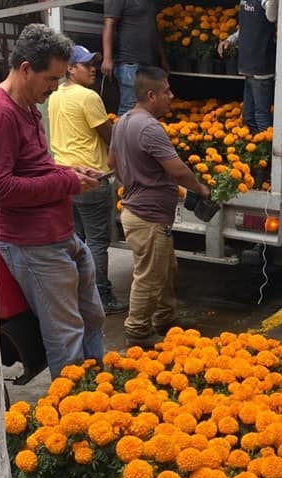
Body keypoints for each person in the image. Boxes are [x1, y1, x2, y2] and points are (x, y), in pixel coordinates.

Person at [0, 24, 105, 379]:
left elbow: (36, 168)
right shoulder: (1, 112)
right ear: (25, 69)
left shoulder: (28, 107)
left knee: (93, 318)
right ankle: (75, 413)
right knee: (66, 337)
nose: (55, 88)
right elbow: (1, 187)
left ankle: (100, 396)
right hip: (33, 244)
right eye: (51, 79)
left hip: (60, 234)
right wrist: (67, 181)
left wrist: (70, 169)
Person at [108, 67, 211, 348]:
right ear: (151, 95)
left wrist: (135, 175)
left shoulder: (122, 122)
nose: (172, 96)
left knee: (166, 269)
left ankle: (164, 320)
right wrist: (200, 189)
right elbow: (177, 170)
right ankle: (138, 333)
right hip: (147, 216)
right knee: (149, 277)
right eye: (166, 91)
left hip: (140, 212)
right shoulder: (150, 128)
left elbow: (112, 164)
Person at [49, 45, 128, 316]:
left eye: (93, 63)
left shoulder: (55, 95)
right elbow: (109, 135)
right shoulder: (88, 97)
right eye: (86, 64)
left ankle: (78, 293)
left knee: (77, 238)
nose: (92, 68)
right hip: (92, 177)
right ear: (70, 69)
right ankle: (101, 295)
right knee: (96, 241)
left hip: (64, 176)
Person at [217, 0, 277, 133]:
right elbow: (246, 27)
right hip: (247, 64)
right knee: (248, 116)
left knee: (261, 115)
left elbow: (272, 17)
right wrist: (230, 40)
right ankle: (258, 147)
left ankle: (266, 149)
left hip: (261, 65)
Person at [102, 0, 168, 116]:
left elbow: (154, 30)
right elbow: (109, 24)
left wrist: (163, 58)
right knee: (129, 107)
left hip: (148, 62)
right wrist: (107, 58)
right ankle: (122, 134)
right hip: (129, 62)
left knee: (147, 107)